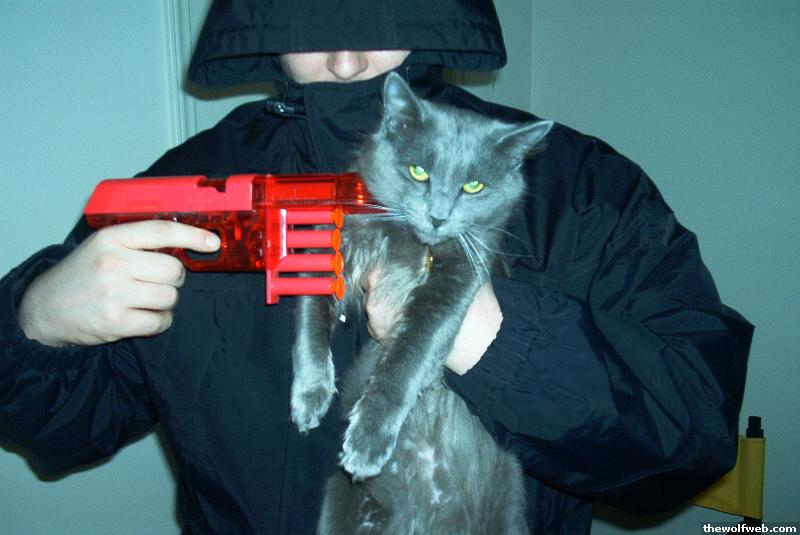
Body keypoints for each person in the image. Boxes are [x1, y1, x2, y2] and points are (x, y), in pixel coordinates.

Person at [0, 1, 753, 533]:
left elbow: (689, 439)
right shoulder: (184, 192)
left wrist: (493, 336)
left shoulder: (572, 187)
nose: (346, 59)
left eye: (378, 11)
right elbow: (66, 430)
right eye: (310, 15)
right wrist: (36, 323)